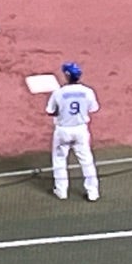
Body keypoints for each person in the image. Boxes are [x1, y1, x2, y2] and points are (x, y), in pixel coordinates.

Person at [45, 62, 100, 201]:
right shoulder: (88, 91)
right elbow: (93, 108)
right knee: (87, 161)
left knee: (59, 160)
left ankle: (61, 191)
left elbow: (50, 111)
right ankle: (93, 192)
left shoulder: (59, 93)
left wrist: (61, 112)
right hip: (80, 130)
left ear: (67, 75)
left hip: (63, 131)